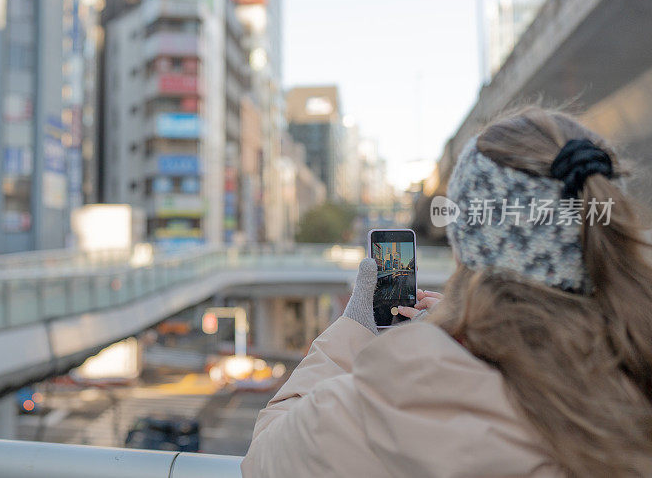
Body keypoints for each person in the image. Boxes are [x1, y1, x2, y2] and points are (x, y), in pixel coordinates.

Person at [242, 107, 652, 477]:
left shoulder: (397, 394)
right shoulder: (635, 363)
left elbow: (265, 457)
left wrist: (355, 330)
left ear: (464, 248)